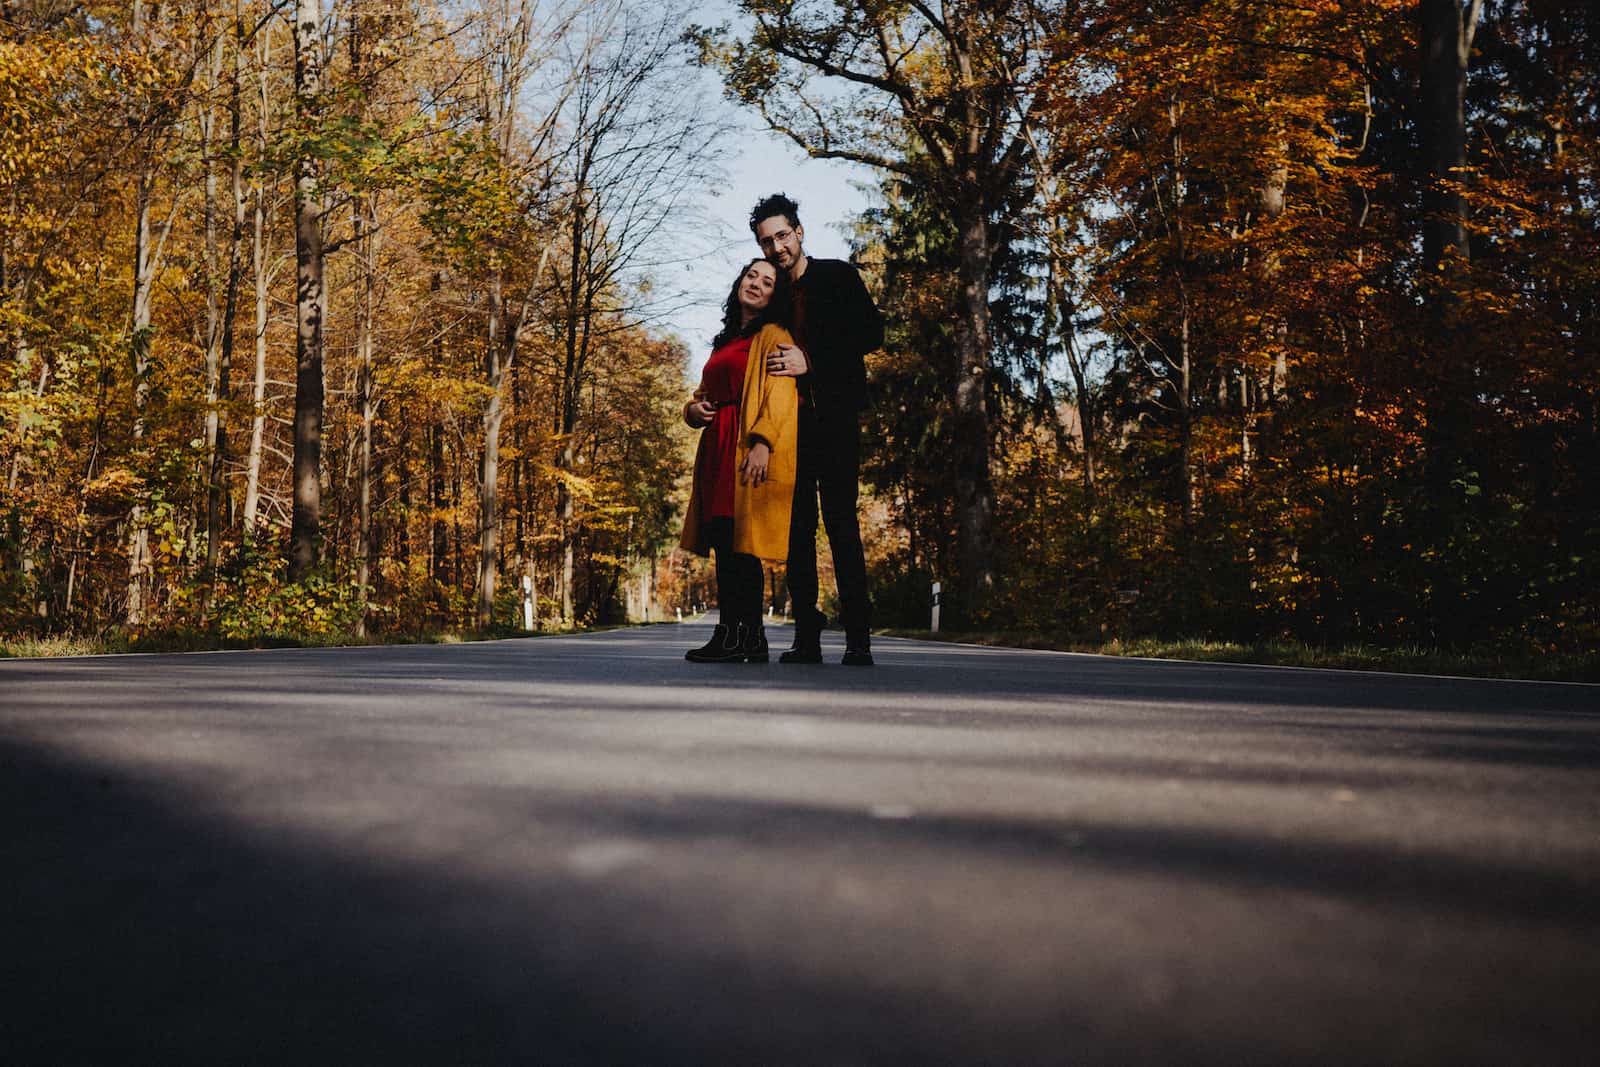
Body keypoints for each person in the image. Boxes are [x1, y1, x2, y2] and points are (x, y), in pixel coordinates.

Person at [752, 193, 883, 666]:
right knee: (797, 532)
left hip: (837, 419)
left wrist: (813, 360)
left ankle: (858, 638)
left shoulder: (838, 276)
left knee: (843, 525)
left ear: (799, 232)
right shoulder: (772, 296)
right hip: (789, 431)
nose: (777, 248)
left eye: (782, 236)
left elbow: (872, 333)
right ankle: (806, 638)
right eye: (767, 242)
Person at [679, 258, 800, 663]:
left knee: (740, 543)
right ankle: (738, 636)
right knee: (722, 542)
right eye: (752, 276)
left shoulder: (774, 335)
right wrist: (691, 412)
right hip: (716, 445)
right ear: (740, 283)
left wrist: (763, 442)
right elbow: (700, 396)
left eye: (767, 282)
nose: (757, 284)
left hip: (745, 443)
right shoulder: (724, 340)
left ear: (774, 295)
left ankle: (743, 637)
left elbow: (781, 395)